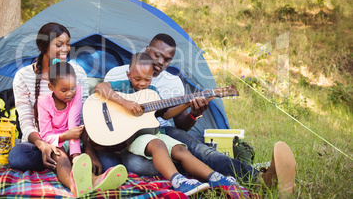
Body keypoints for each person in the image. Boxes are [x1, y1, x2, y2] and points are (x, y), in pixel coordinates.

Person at [101, 33, 296, 197]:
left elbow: (179, 123)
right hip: (130, 135)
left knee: (200, 150)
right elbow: (101, 101)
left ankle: (259, 179)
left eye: (167, 59)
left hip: (163, 130)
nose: (160, 61)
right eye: (156, 54)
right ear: (146, 50)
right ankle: (193, 172)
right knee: (133, 162)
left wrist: (194, 114)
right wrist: (125, 104)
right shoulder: (117, 74)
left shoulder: (173, 83)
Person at [94, 52, 250, 197]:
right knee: (158, 144)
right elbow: (100, 87)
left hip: (155, 132)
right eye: (137, 79)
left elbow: (166, 114)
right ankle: (179, 181)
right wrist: (125, 103)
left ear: (152, 77)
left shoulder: (152, 92)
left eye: (147, 79)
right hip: (134, 137)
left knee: (181, 150)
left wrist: (187, 104)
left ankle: (216, 178)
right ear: (129, 75)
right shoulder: (122, 86)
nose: (142, 83)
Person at [9, 23, 127, 195]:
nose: (65, 49)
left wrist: (88, 150)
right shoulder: (23, 76)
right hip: (42, 140)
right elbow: (26, 121)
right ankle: (73, 171)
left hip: (76, 139)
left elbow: (81, 117)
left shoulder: (76, 72)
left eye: (67, 43)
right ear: (43, 46)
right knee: (18, 157)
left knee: (111, 163)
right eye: (59, 44)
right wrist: (42, 145)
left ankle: (76, 166)